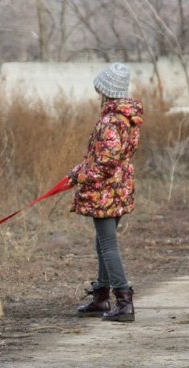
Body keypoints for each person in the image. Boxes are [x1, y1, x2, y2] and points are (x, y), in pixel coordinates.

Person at [68, 62, 143, 322]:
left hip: (106, 191)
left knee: (108, 244)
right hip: (119, 188)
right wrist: (74, 173)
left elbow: (104, 163)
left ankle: (124, 301)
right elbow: (102, 158)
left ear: (106, 90)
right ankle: (101, 297)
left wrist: (79, 176)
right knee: (102, 242)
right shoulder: (127, 118)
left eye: (99, 89)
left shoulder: (111, 121)